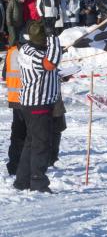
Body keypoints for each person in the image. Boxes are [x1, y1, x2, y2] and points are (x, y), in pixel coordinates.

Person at [14, 20, 62, 193]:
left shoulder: (26, 49)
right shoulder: (36, 55)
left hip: (28, 104)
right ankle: (38, 182)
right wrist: (54, 38)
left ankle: (22, 180)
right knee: (41, 144)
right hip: (38, 104)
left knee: (31, 142)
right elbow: (51, 63)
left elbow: (49, 67)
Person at [5, 42, 26, 175]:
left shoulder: (11, 51)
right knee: (30, 135)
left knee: (17, 134)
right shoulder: (30, 51)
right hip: (28, 98)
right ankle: (23, 165)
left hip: (14, 98)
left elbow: (4, 74)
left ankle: (14, 165)